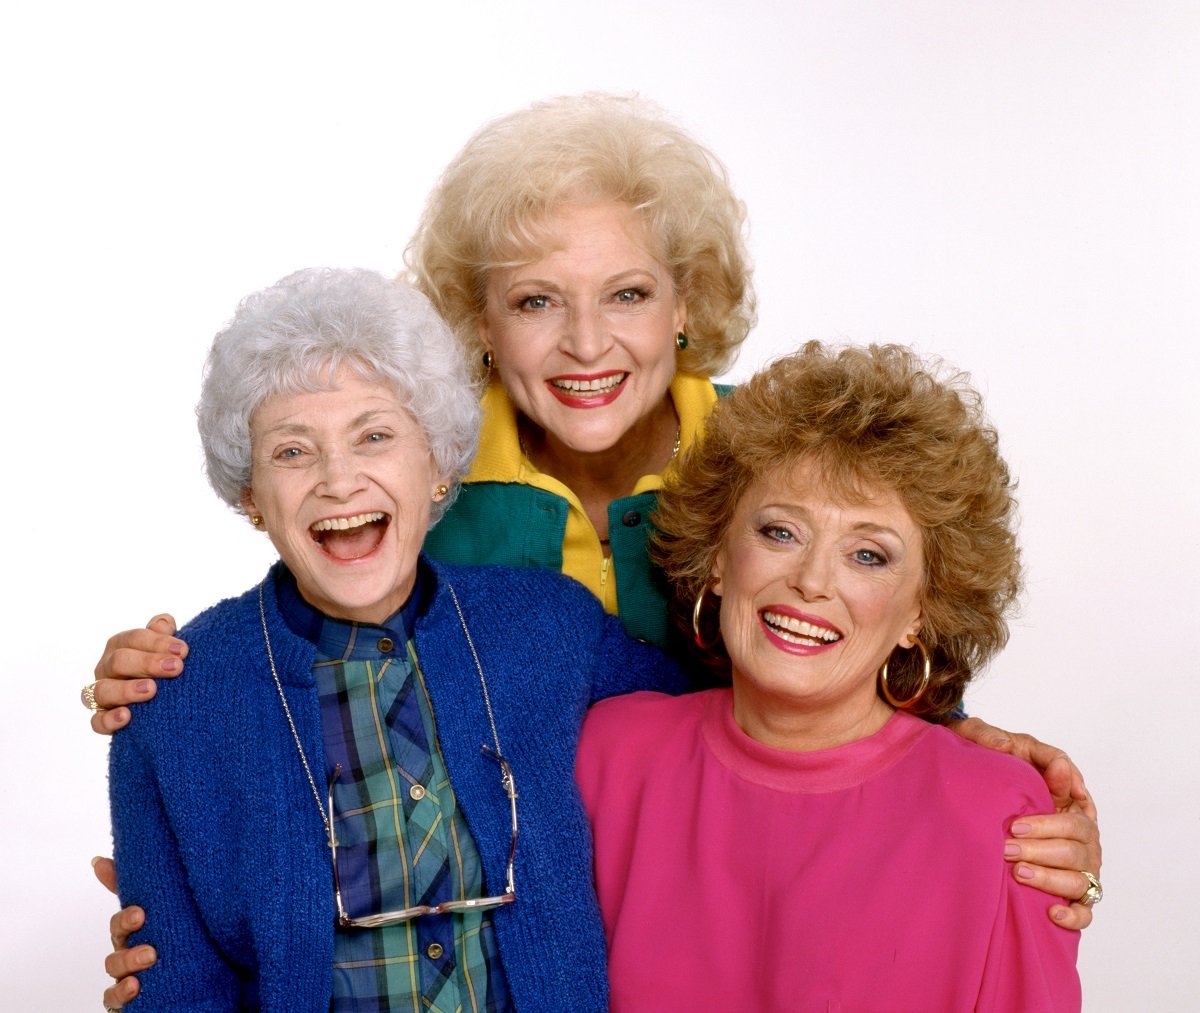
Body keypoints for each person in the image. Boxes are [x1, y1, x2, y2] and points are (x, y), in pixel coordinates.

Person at [86, 95, 1099, 1006]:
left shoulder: (778, 462)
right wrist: (158, 700)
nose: (584, 343)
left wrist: (995, 771)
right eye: (535, 300)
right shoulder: (423, 492)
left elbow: (864, 644)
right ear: (479, 327)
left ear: (686, 303)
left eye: (627, 294)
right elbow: (292, 668)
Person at [108, 267, 684, 1011]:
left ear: (439, 464)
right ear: (251, 494)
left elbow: (735, 727)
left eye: (374, 435)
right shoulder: (170, 705)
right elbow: (177, 992)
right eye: (292, 451)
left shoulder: (551, 626)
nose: (338, 480)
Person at [576, 343, 1084, 1010]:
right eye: (780, 532)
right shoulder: (608, 755)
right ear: (719, 559)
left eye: (868, 554)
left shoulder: (996, 815)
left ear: (921, 611)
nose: (812, 581)